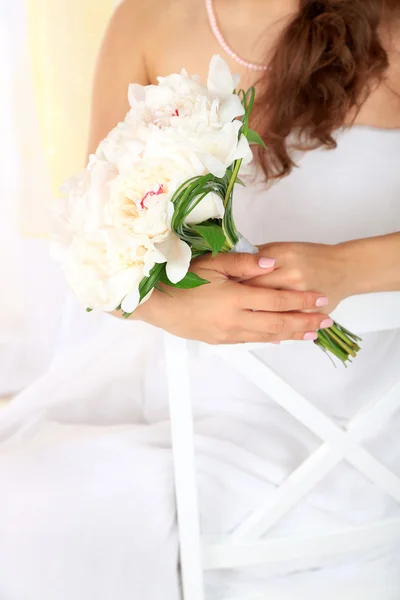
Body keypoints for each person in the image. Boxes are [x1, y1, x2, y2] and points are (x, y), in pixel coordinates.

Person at [0, 0, 399, 598]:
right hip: (185, 408)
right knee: (29, 504)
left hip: (367, 424)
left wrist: (344, 266)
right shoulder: (146, 20)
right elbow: (94, 237)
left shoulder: (388, 24)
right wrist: (174, 308)